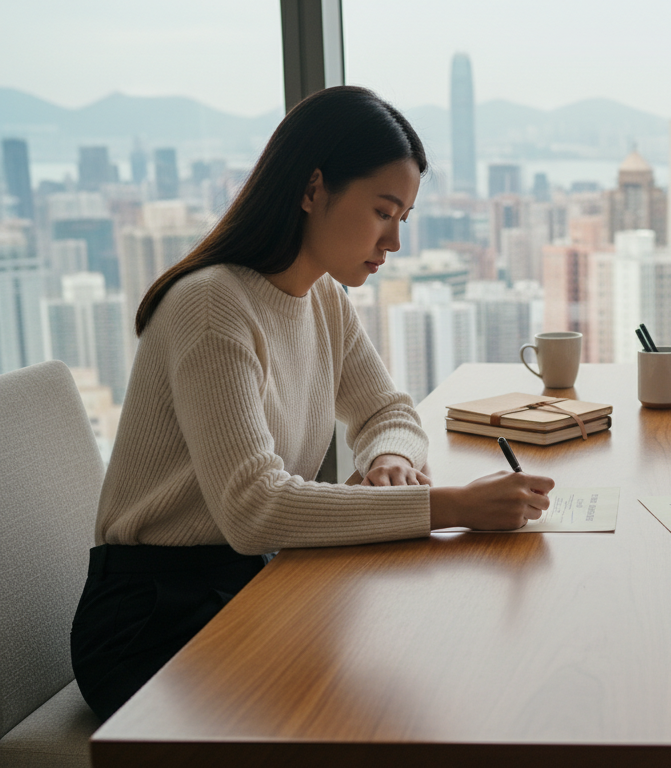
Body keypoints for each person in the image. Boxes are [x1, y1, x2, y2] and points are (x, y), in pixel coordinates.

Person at [70, 86, 555, 721]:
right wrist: (452, 506)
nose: (394, 244)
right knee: (381, 707)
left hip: (248, 582)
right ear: (312, 189)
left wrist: (390, 460)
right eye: (383, 212)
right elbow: (254, 508)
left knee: (421, 683)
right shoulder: (213, 307)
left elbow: (390, 411)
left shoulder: (320, 299)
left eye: (402, 219)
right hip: (152, 621)